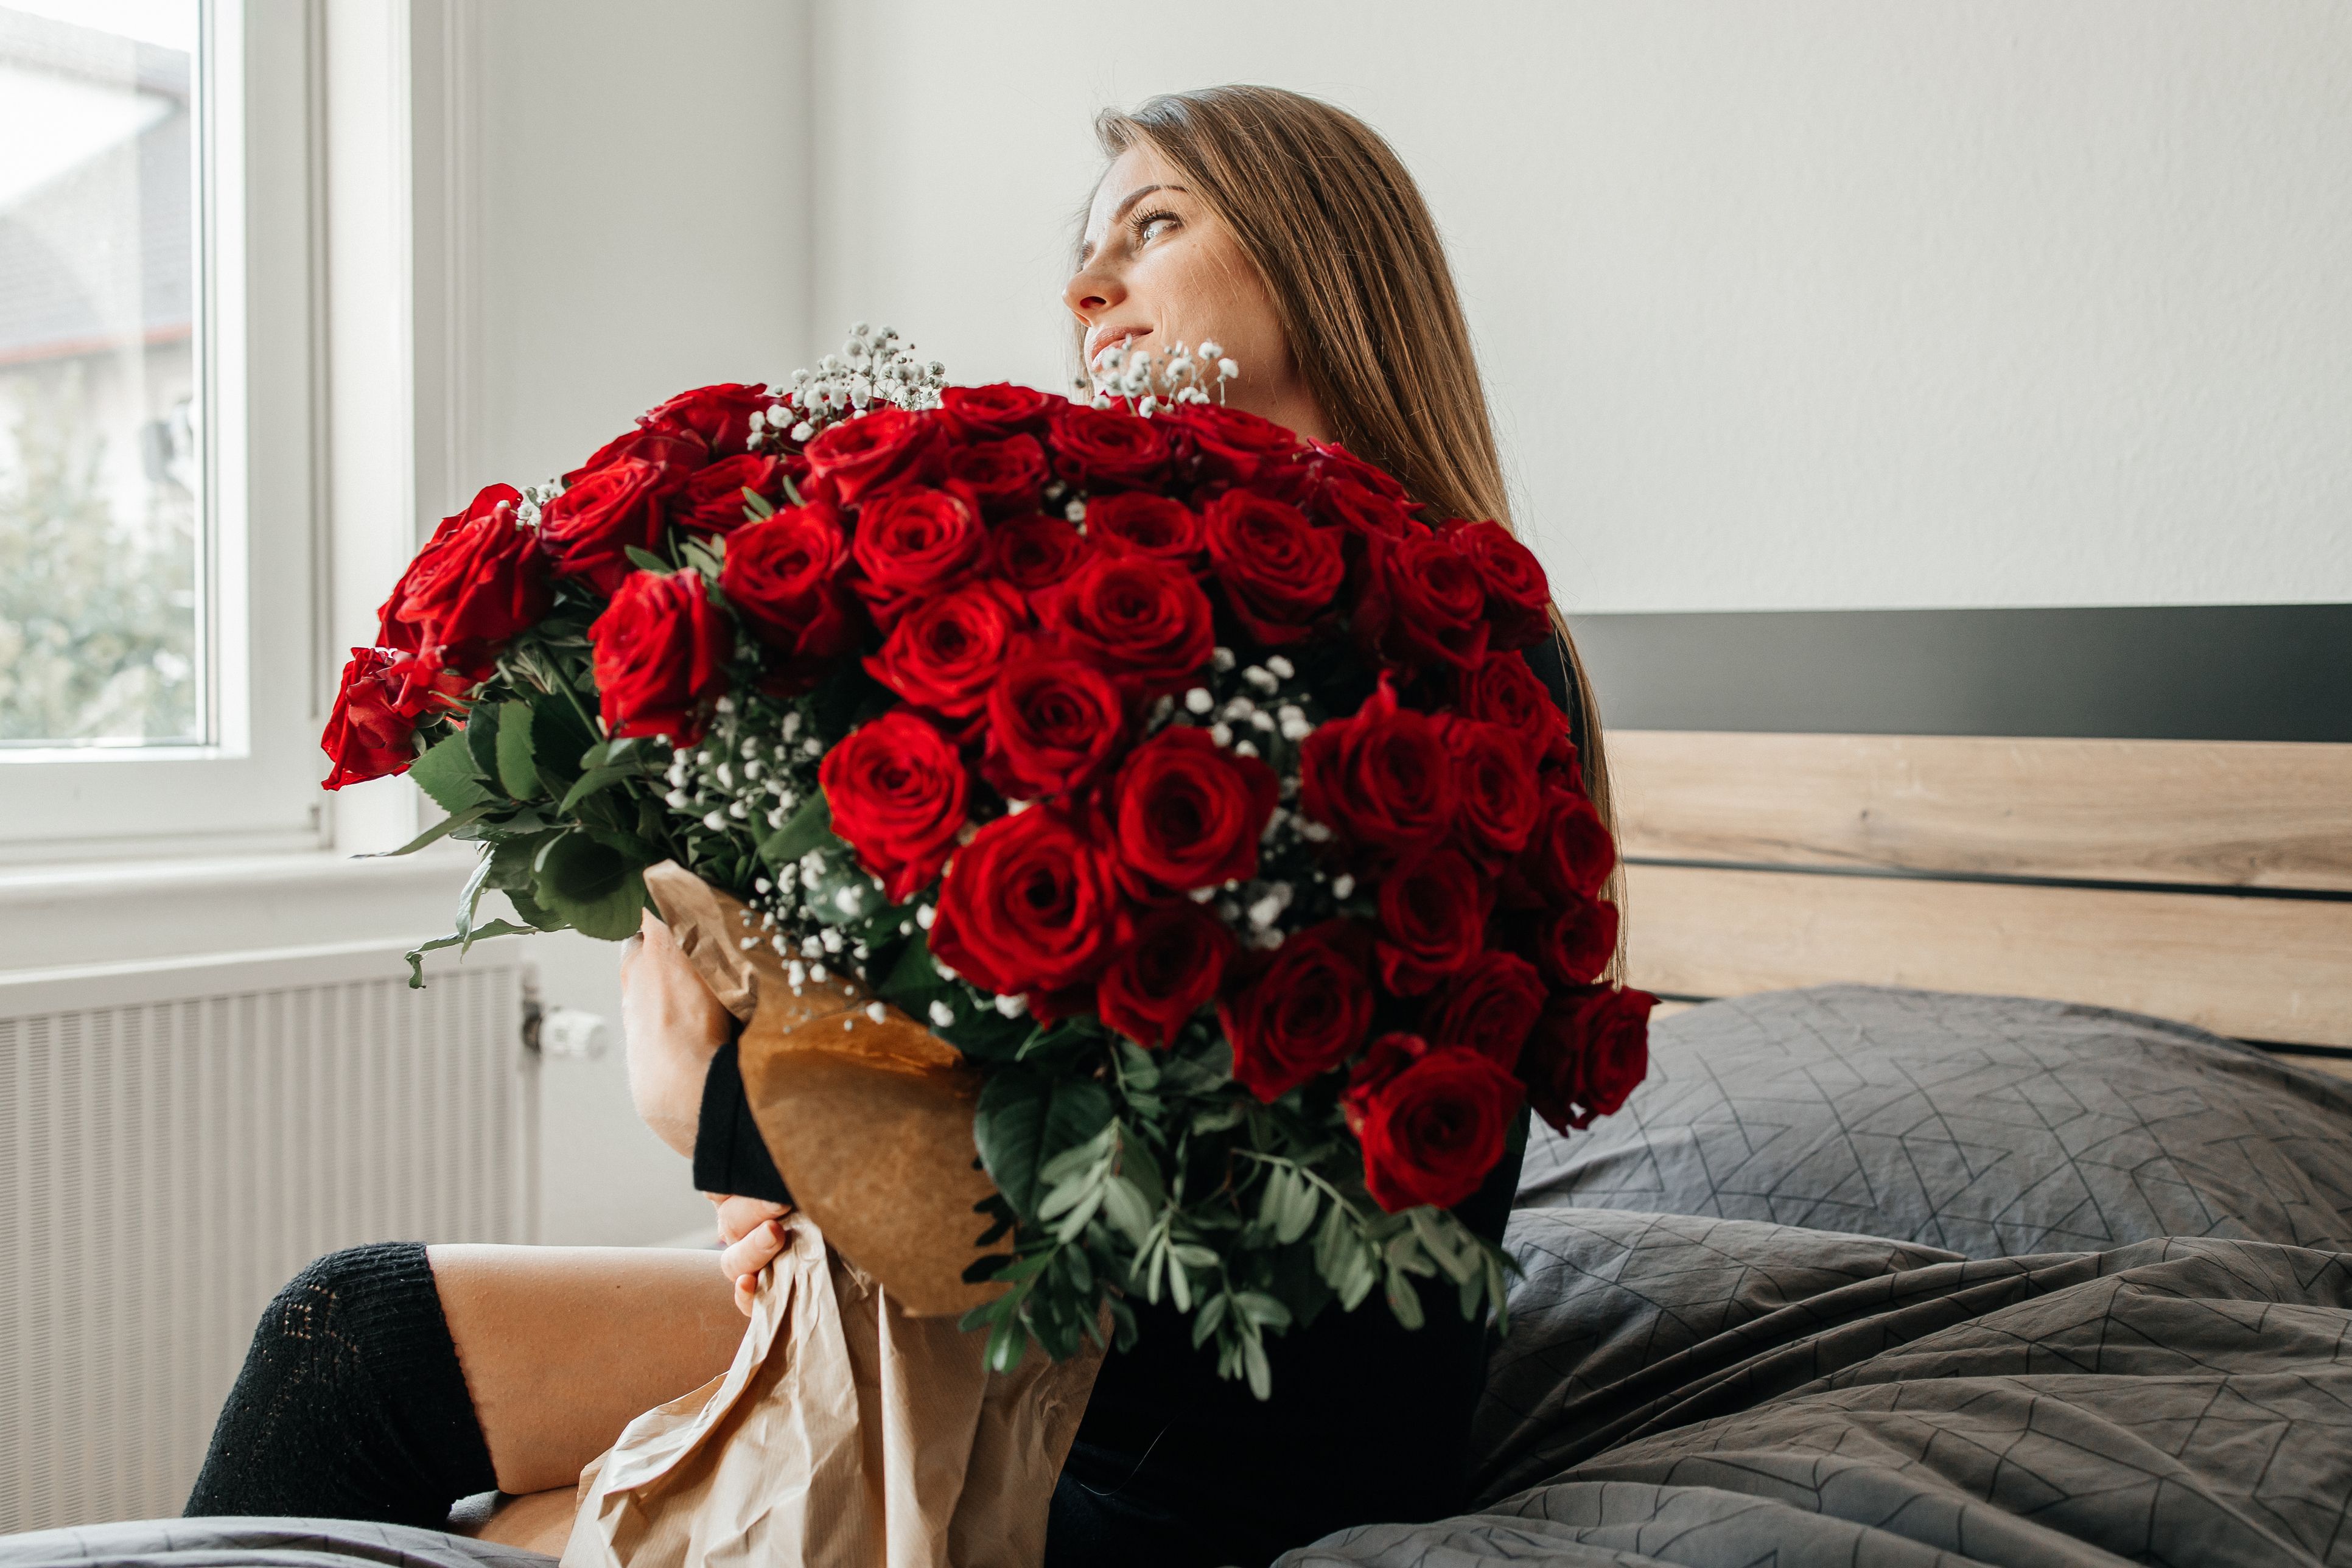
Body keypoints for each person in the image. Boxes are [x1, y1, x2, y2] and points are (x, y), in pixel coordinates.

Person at [183, 85, 1617, 1567]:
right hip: (1016, 1342)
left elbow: (1187, 1148)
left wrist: (719, 1110)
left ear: (1325, 261)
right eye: (1085, 246)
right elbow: (1000, 1041)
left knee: (495, 1521)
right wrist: (803, 1172)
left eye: (1154, 224)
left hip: (1189, 1445)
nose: (1086, 286)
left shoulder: (1446, 647)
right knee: (355, 1337)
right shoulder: (1146, 606)